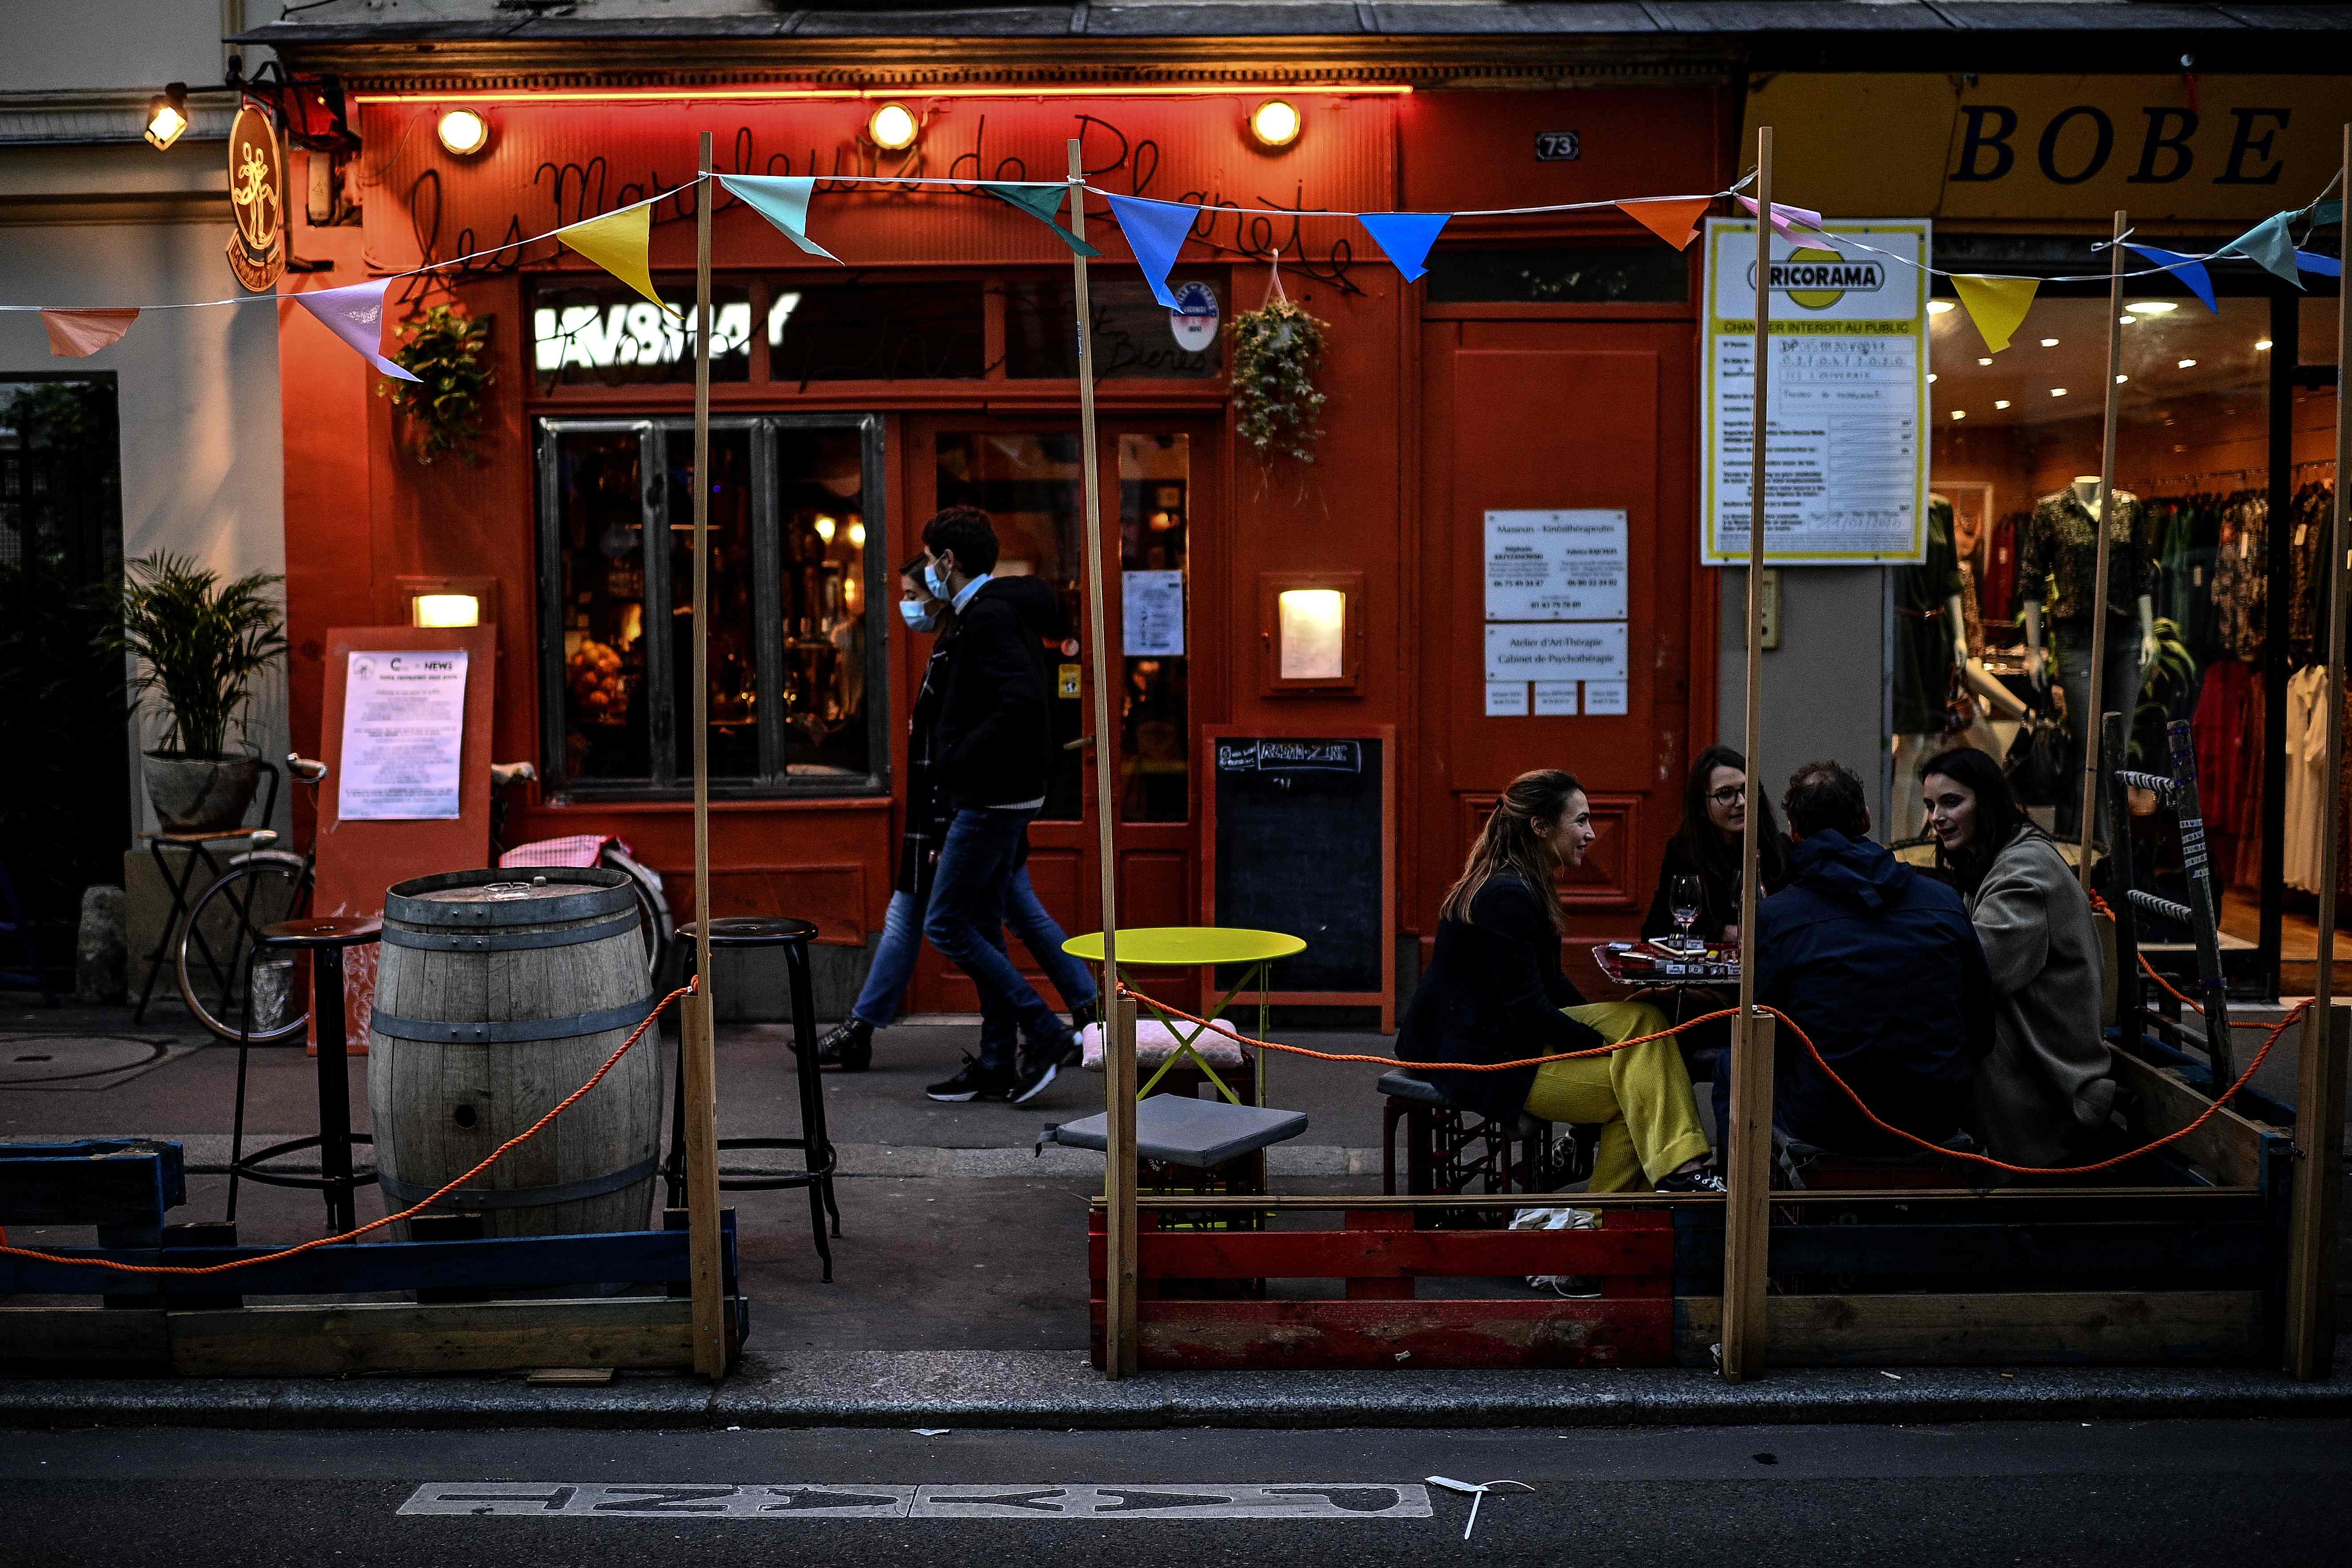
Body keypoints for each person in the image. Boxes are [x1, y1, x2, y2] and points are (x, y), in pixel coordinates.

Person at [812, 557, 1097, 1072]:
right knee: (1005, 912)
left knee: (939, 921)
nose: (905, 604)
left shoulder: (967, 639)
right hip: (962, 807)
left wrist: (950, 805)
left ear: (940, 587)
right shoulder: (961, 638)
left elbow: (981, 728)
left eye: (909, 592)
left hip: (955, 810)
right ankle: (1068, 1021)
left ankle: (1040, 1028)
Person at [1397, 769, 1722, 1194]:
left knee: (1645, 1017)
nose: (1591, 833)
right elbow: (1529, 1011)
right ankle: (1603, 1221)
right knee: (1640, 1100)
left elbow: (1550, 984)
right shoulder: (1507, 895)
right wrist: (1598, 1044)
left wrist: (1607, 1033)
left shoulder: (1521, 880)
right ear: (1541, 827)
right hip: (1486, 1058)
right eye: (1581, 821)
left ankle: (1674, 1171)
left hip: (1505, 1037)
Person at [1720, 760, 1993, 1158]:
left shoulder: (1777, 917)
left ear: (1795, 833)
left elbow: (1762, 1031)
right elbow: (1981, 1029)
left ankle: (1736, 1210)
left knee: (1733, 1063)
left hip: (1829, 1118)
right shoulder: (1944, 902)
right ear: (1865, 819)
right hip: (1936, 1112)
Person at [912, 506, 1081, 1105]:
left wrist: (958, 757)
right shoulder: (987, 614)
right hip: (1003, 792)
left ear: (948, 562)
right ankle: (993, 1061)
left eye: (930, 560)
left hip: (991, 796)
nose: (926, 572)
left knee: (946, 924)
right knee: (984, 920)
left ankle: (1044, 1030)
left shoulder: (985, 619)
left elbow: (1022, 703)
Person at [1920, 746, 2116, 1168]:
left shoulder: (2023, 873)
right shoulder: (1996, 860)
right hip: (2037, 1067)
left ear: (1986, 801)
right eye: (1931, 805)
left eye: (1951, 802)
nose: (1936, 818)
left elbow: (1972, 970)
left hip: (2050, 1087)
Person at [1640, 745, 1791, 946]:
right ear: (1702, 806)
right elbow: (1656, 931)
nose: (1743, 801)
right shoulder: (1684, 853)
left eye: (1748, 790)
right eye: (1726, 793)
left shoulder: (1777, 850)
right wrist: (1721, 933)